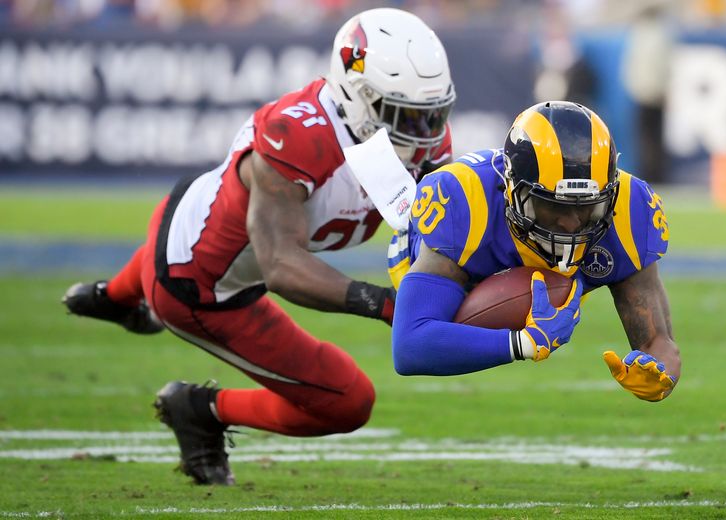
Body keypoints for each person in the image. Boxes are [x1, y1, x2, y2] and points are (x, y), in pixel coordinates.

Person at [62, 7, 456, 485]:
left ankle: (117, 299)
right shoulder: (298, 136)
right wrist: (388, 304)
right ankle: (201, 409)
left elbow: (442, 228)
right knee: (348, 400)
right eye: (406, 115)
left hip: (196, 212)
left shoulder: (416, 138)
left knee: (200, 240)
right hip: (198, 287)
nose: (426, 133)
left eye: (433, 114)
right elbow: (282, 266)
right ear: (359, 96)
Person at [388, 101, 680, 402]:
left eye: (588, 207)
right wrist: (525, 343)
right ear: (512, 189)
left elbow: (658, 341)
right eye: (553, 205)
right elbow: (411, 345)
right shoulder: (466, 201)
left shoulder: (629, 212)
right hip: (426, 266)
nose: (571, 222)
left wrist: (661, 375)